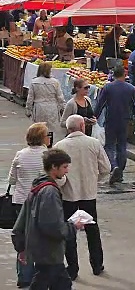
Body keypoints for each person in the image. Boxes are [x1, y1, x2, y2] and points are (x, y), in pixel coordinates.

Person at [11, 149, 84, 290]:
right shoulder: (50, 192)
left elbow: (22, 219)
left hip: (41, 250)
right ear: (53, 167)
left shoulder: (37, 186)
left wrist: (21, 246)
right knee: (59, 283)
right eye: (64, 167)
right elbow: (52, 226)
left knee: (45, 281)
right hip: (49, 251)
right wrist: (73, 226)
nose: (67, 171)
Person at [53, 115, 110, 280]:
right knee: (92, 230)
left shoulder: (60, 146)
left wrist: (64, 182)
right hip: (88, 194)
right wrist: (94, 180)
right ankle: (97, 265)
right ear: (82, 126)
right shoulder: (94, 143)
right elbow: (106, 168)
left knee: (70, 232)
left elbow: (57, 175)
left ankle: (72, 268)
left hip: (68, 195)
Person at [8, 123, 49, 288]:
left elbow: (12, 180)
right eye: (47, 135)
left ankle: (24, 277)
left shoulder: (20, 154)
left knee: (23, 240)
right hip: (41, 201)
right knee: (42, 239)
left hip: (20, 201)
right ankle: (40, 276)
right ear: (42, 137)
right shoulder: (48, 155)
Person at [94, 66, 135, 185]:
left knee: (109, 145)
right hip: (125, 120)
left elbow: (101, 104)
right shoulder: (131, 89)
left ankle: (113, 166)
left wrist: (94, 116)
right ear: (124, 74)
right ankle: (120, 171)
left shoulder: (107, 87)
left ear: (113, 75)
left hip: (110, 119)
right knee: (121, 146)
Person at [25, 62, 65, 139]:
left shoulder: (34, 82)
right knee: (51, 128)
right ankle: (49, 142)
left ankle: (39, 141)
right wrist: (63, 108)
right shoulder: (55, 82)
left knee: (39, 127)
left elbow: (30, 98)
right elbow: (60, 97)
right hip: (52, 107)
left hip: (39, 107)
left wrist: (28, 110)